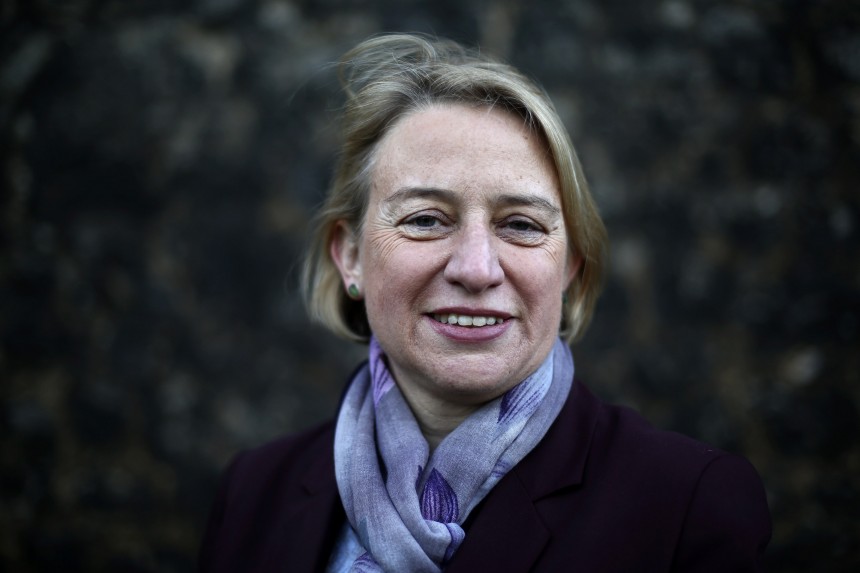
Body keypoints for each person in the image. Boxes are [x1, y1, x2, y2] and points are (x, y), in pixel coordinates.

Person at [198, 33, 771, 572]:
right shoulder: (254, 493)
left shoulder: (688, 506)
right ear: (349, 257)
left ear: (570, 265)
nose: (476, 268)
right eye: (425, 220)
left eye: (521, 225)